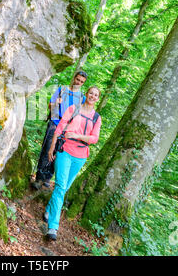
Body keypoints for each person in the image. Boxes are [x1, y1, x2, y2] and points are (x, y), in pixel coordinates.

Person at [43, 86, 102, 240]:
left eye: (96, 95)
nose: (93, 96)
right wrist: (51, 148)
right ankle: (53, 227)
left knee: (65, 187)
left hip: (81, 156)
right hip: (65, 151)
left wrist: (77, 135)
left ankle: (49, 208)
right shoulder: (73, 108)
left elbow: (94, 138)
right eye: (91, 93)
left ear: (97, 98)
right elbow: (59, 128)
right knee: (61, 186)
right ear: (86, 94)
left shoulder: (97, 117)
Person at [32, 71, 88, 190]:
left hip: (67, 129)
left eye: (81, 82)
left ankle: (47, 178)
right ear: (74, 78)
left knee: (58, 153)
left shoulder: (82, 98)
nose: (78, 82)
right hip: (55, 122)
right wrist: (55, 103)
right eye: (77, 79)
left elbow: (81, 116)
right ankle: (39, 178)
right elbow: (50, 106)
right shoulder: (62, 90)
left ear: (84, 83)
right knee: (47, 150)